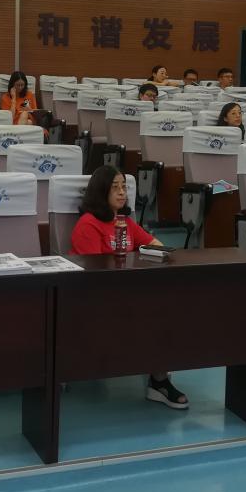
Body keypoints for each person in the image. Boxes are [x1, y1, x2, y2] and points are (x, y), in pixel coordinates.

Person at [69, 166, 187, 411]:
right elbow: (95, 276)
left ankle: (159, 377)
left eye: (124, 187)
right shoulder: (87, 225)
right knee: (156, 313)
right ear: (101, 191)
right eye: (115, 187)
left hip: (128, 292)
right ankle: (159, 380)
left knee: (170, 305)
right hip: (96, 298)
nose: (122, 192)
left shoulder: (125, 222)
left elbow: (157, 245)